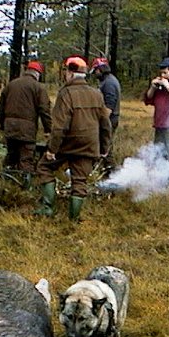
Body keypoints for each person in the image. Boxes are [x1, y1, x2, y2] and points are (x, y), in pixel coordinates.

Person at [36, 56, 112, 221]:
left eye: (66, 71)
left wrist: (52, 150)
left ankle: (48, 208)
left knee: (44, 167)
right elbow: (105, 124)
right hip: (89, 144)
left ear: (70, 73)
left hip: (68, 143)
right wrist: (104, 148)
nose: (65, 74)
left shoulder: (66, 93)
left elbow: (60, 126)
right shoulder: (96, 94)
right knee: (79, 180)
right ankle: (74, 218)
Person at [0, 61, 52, 188]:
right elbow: (44, 110)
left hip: (10, 127)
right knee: (26, 159)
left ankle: (6, 184)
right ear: (37, 74)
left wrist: (3, 125)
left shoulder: (11, 85)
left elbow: (1, 108)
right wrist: (48, 129)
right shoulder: (38, 87)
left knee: (11, 156)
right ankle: (25, 188)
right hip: (27, 130)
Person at [90, 57, 121, 175]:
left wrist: (99, 121)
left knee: (105, 146)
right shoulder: (107, 81)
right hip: (108, 119)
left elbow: (109, 107)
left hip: (109, 120)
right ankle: (105, 171)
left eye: (96, 70)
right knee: (104, 146)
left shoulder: (109, 83)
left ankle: (111, 173)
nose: (95, 73)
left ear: (101, 69)